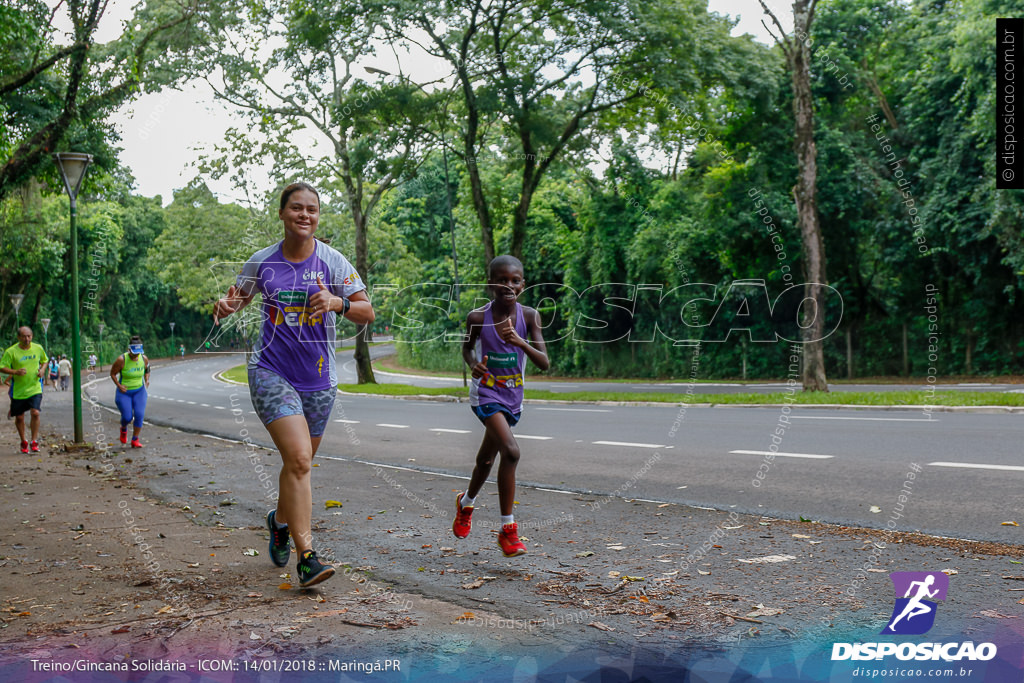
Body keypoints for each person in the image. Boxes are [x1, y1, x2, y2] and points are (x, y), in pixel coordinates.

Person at [214, 182, 374, 588]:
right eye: (297, 209)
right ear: (283, 214)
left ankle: (279, 522)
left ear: (318, 217)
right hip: (271, 371)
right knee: (301, 460)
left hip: (319, 379)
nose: (305, 215)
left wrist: (338, 303)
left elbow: (367, 310)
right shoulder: (262, 262)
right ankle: (308, 558)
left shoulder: (334, 263)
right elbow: (239, 299)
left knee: (297, 464)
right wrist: (226, 305)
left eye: (312, 210)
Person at [452, 255, 549, 557]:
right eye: (502, 280)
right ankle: (508, 531)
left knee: (485, 460)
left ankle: (465, 503)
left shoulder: (530, 316)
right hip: (486, 395)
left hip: (513, 397)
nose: (508, 285)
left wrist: (520, 342)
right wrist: (473, 366)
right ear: (490, 283)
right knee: (511, 451)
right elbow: (467, 349)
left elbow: (544, 362)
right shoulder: (477, 318)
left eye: (514, 280)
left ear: (523, 284)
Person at [0, 327, 48, 453]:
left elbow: (45, 360)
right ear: (18, 337)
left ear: (32, 336)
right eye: (24, 336)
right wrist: (15, 371)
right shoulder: (11, 351)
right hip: (19, 390)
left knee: (35, 413)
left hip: (35, 387)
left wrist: (42, 370)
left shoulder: (38, 348)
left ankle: (34, 441)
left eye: (29, 336)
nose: (27, 339)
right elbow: (2, 367)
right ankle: (23, 441)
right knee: (20, 417)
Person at [109, 336, 150, 448]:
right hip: (125, 392)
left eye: (138, 353)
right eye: (134, 353)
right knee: (127, 417)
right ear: (129, 350)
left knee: (139, 415)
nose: (136, 356)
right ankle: (123, 428)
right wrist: (119, 385)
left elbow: (147, 369)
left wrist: (147, 379)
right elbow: (112, 373)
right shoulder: (122, 360)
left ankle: (135, 439)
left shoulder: (144, 358)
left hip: (139, 391)